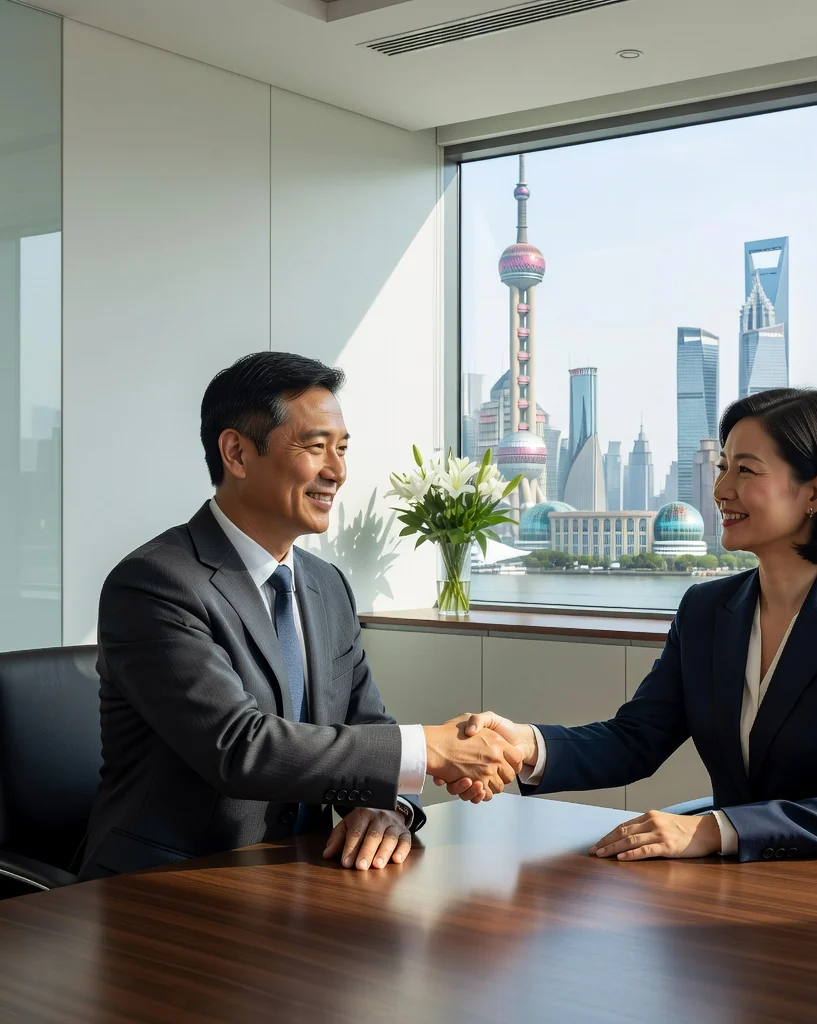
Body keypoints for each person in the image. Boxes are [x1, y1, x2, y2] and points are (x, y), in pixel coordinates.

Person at [80, 352, 521, 880]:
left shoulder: (326, 586)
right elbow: (241, 748)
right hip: (171, 887)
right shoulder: (155, 584)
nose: (337, 471)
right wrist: (430, 748)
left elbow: (365, 726)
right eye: (316, 448)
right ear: (237, 453)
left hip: (300, 879)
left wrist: (384, 807)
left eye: (341, 449)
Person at [444, 388, 817, 863]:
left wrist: (711, 828)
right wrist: (526, 744)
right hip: (744, 888)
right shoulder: (706, 610)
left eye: (745, 470)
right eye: (723, 468)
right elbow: (635, 739)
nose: (720, 491)